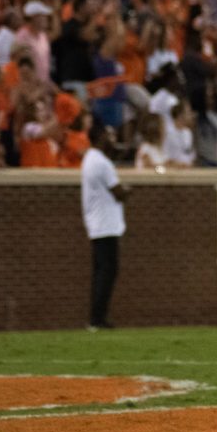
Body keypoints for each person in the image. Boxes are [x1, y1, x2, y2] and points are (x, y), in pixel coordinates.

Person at [81, 123, 129, 330]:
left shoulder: (90, 159)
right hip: (105, 224)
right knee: (106, 272)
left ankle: (97, 317)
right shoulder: (101, 162)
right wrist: (129, 190)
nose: (112, 137)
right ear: (100, 136)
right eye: (109, 134)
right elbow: (118, 192)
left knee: (101, 272)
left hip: (97, 223)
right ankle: (97, 319)